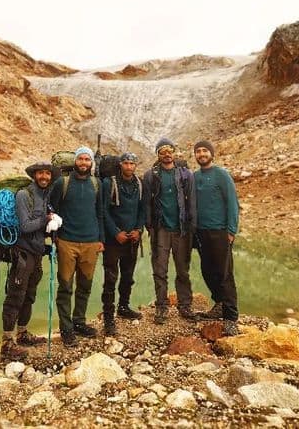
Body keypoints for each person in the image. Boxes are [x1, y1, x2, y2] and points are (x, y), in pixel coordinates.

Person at [49, 146, 105, 347]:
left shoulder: (96, 184)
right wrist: (54, 236)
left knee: (85, 285)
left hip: (91, 241)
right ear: (75, 162)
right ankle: (66, 329)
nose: (83, 163)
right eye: (80, 159)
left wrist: (101, 240)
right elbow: (52, 208)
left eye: (87, 160)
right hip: (66, 241)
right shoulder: (62, 183)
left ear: (91, 163)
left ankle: (79, 321)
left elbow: (100, 212)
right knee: (65, 287)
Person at [0, 161, 55, 361]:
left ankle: (22, 334)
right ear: (34, 175)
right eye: (41, 173)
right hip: (22, 254)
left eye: (48, 174)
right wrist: (46, 221)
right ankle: (6, 343)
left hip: (36, 253)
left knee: (29, 296)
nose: (45, 177)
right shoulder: (24, 195)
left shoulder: (46, 195)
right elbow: (25, 226)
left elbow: (40, 227)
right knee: (15, 297)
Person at [143, 138, 197, 325]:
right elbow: (147, 203)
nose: (166, 154)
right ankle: (161, 306)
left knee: (183, 269)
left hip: (182, 229)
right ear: (157, 155)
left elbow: (192, 203)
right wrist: (149, 225)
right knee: (160, 269)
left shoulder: (186, 175)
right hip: (161, 230)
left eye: (169, 151)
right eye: (162, 151)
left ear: (174, 153)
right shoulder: (151, 175)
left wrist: (192, 227)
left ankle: (185, 305)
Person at [193, 140, 240, 336]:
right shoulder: (194, 177)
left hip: (220, 231)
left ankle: (231, 317)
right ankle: (219, 304)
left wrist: (231, 230)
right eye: (198, 151)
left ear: (211, 154)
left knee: (224, 273)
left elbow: (232, 203)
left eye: (205, 151)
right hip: (201, 232)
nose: (202, 154)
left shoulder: (222, 175)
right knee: (207, 270)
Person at [101, 152, 146, 336]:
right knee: (110, 278)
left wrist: (139, 229)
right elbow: (103, 211)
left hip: (132, 239)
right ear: (120, 164)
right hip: (113, 241)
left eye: (132, 163)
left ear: (136, 165)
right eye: (126, 163)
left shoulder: (139, 184)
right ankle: (108, 318)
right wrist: (115, 232)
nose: (129, 167)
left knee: (128, 276)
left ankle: (124, 306)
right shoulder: (109, 183)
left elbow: (143, 209)